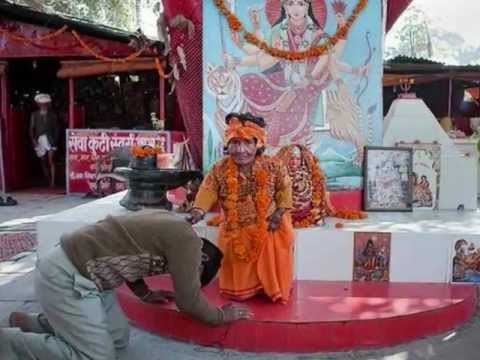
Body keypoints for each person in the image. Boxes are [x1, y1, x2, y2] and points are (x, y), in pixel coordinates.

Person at [0, 210, 250, 360]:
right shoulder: (188, 244)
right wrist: (220, 316)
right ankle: (10, 342)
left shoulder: (174, 227)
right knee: (97, 356)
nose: (188, 274)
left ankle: (36, 323)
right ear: (202, 258)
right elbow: (188, 301)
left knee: (118, 339)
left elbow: (125, 247)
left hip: (91, 275)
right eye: (197, 273)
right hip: (67, 275)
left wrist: (144, 292)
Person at [188, 112, 294, 303]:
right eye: (235, 143)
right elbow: (207, 190)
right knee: (238, 262)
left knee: (269, 261)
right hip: (234, 227)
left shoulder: (274, 166)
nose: (241, 150)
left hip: (268, 224)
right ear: (228, 145)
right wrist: (198, 210)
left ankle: (267, 288)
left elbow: (284, 189)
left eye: (247, 143)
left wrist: (278, 213)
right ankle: (246, 290)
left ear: (258, 144)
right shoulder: (219, 169)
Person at [30, 93, 58, 187]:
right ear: (38, 104)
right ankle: (48, 179)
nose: (44, 105)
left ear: (48, 104)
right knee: (43, 161)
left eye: (45, 103)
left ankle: (53, 182)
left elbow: (56, 128)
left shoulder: (52, 115)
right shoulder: (34, 115)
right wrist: (33, 140)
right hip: (39, 139)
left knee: (51, 160)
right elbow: (31, 128)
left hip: (50, 139)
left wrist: (55, 140)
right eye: (42, 103)